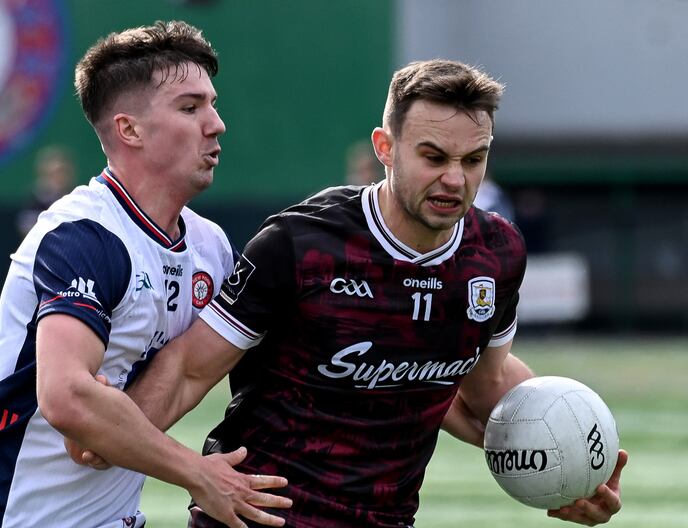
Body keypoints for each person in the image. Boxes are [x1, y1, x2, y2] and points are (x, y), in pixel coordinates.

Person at [75, 60, 627, 526]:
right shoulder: (300, 244)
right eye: (433, 157)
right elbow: (189, 371)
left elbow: (482, 394)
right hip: (260, 518)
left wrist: (571, 467)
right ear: (385, 148)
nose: (455, 180)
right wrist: (110, 432)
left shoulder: (497, 255)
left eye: (473, 159)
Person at [0, 20, 290, 528]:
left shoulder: (211, 248)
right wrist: (198, 473)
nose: (216, 123)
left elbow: (191, 370)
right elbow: (67, 397)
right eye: (190, 107)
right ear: (129, 129)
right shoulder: (83, 235)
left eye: (212, 104)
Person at [16, 145, 77, 237]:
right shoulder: (35, 200)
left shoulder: (76, 196)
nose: (60, 177)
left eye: (64, 172)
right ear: (45, 173)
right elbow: (27, 228)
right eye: (56, 172)